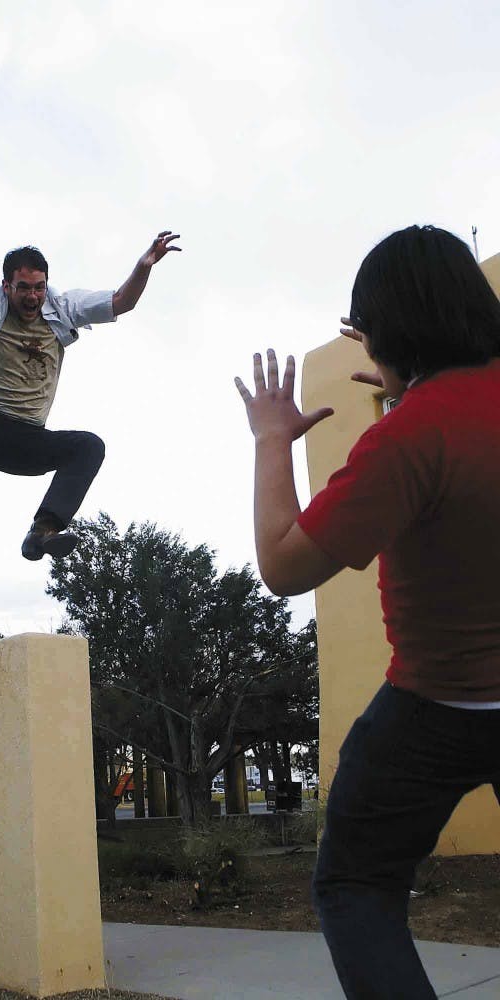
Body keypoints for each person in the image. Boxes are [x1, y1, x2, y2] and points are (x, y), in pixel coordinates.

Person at [235, 224, 500, 999]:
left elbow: (283, 565)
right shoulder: (416, 422)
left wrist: (271, 439)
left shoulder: (407, 438)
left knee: (356, 886)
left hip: (435, 712)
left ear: (386, 333)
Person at [0, 214, 180, 560]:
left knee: (88, 445)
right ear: (7, 286)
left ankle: (43, 532)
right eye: (23, 288)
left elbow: (120, 302)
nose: (32, 297)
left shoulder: (63, 308)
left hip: (30, 442)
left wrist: (145, 266)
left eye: (39, 287)